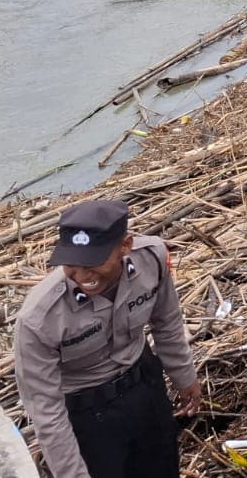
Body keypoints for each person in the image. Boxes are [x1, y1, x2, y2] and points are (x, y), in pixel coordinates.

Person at [13, 200, 201, 478]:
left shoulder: (152, 259)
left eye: (94, 262)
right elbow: (47, 412)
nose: (82, 276)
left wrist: (184, 376)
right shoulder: (39, 319)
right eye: (71, 264)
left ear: (125, 246)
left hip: (145, 388)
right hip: (88, 416)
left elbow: (167, 322)